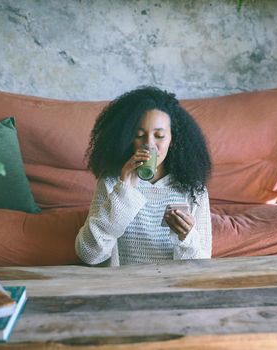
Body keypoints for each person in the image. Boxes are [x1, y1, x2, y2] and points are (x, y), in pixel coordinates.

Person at [75, 86, 212, 266]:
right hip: (126, 287)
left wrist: (186, 236)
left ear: (173, 140)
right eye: (139, 135)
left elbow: (203, 265)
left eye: (159, 136)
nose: (149, 145)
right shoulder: (112, 182)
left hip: (173, 288)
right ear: (128, 138)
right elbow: (89, 254)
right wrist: (124, 191)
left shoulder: (193, 189)